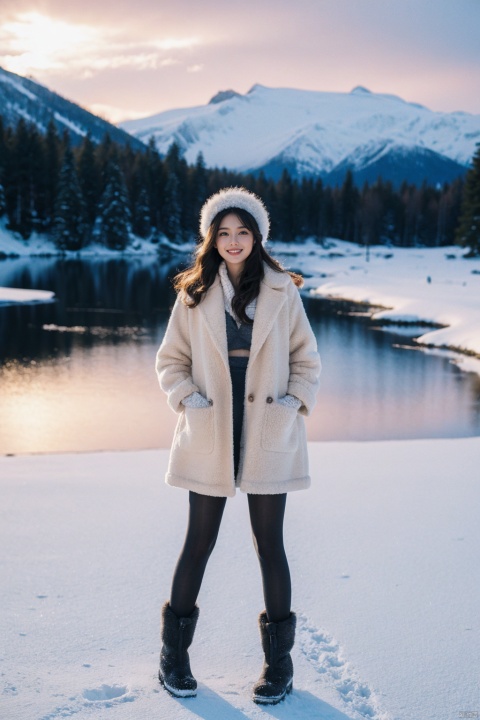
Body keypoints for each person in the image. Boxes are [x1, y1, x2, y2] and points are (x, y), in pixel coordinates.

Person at [155, 186, 321, 705]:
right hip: (211, 425)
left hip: (268, 425)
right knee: (197, 542)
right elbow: (169, 362)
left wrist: (293, 402)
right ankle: (173, 657)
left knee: (269, 544)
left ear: (257, 237)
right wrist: (188, 399)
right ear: (211, 238)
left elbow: (306, 360)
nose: (232, 241)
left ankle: (279, 665)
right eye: (223, 232)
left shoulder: (282, 291)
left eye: (242, 232)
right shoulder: (193, 293)